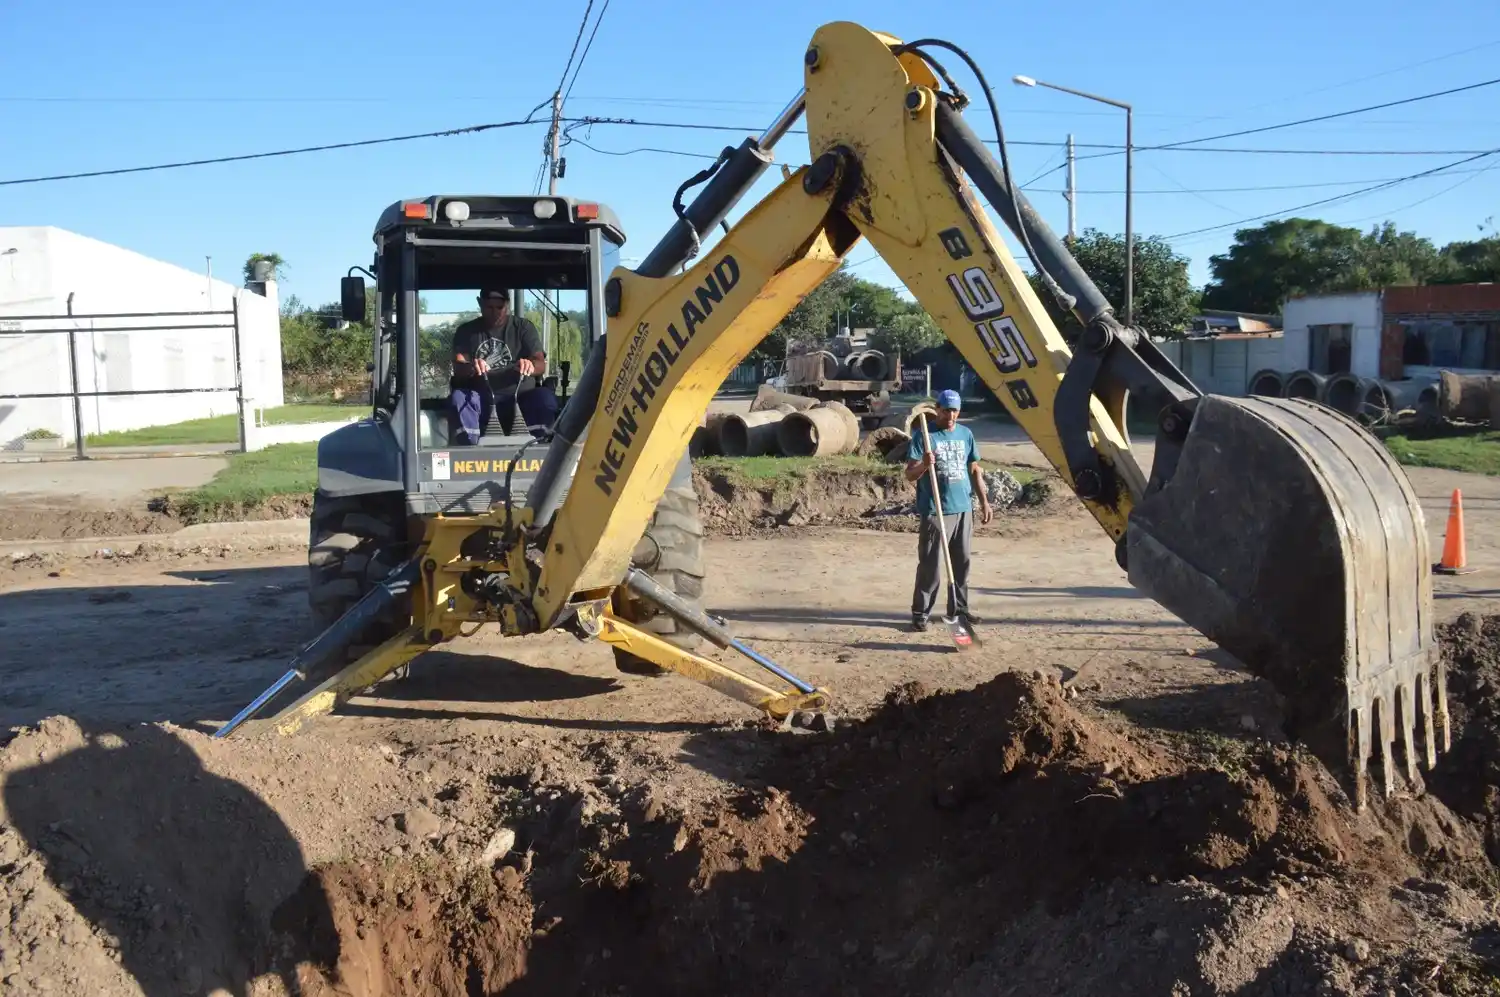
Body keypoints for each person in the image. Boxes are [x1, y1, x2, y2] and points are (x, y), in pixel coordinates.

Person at [905, 389, 992, 632]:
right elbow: (909, 474)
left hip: (963, 507)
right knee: (931, 566)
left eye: (954, 410)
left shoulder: (966, 434)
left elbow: (974, 469)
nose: (950, 415)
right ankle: (920, 613)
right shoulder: (924, 435)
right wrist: (924, 464)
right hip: (936, 510)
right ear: (937, 408)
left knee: (961, 563)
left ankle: (959, 610)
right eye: (946, 410)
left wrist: (984, 501)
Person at [449, 288, 549, 444]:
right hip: (482, 402)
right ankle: (468, 452)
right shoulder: (466, 331)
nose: (494, 312)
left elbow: (540, 363)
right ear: (480, 303)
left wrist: (530, 364)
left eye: (499, 308)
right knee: (459, 397)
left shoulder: (523, 328)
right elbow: (459, 366)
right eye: (489, 307)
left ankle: (541, 448)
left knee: (543, 397)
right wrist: (471, 367)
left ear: (507, 305)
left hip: (520, 400)